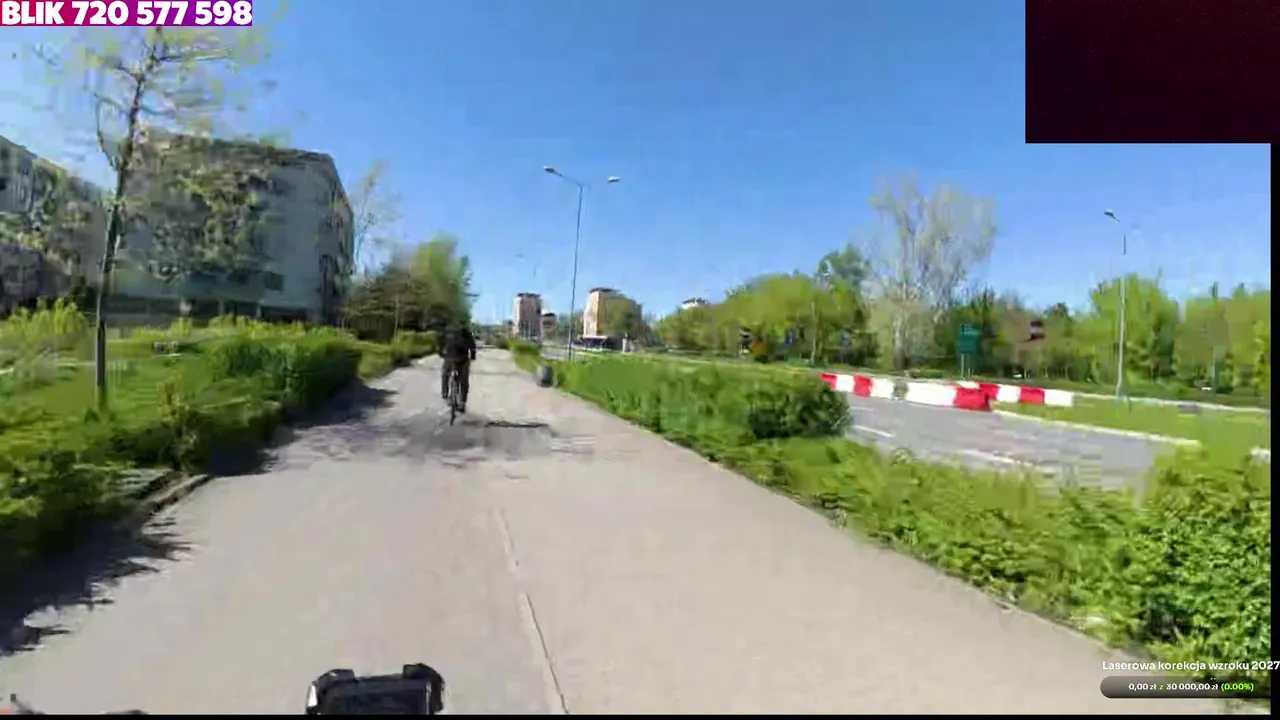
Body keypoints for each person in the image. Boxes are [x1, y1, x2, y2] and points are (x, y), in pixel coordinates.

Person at [439, 322, 478, 412]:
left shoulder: (447, 331)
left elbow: (441, 344)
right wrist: (473, 356)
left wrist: (441, 354)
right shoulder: (466, 333)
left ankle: (445, 393)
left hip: (450, 358)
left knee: (445, 375)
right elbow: (472, 346)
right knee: (463, 381)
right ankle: (462, 402)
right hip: (462, 360)